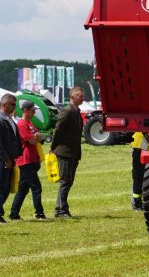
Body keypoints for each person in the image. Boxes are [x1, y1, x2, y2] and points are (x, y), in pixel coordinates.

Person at [50, 86, 85, 218]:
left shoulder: (76, 111)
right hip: (64, 151)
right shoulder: (67, 111)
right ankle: (60, 210)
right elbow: (58, 130)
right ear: (72, 97)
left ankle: (61, 208)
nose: (82, 98)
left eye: (82, 95)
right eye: (80, 96)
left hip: (73, 152)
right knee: (65, 181)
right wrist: (53, 147)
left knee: (68, 181)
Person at [9, 101, 45, 220]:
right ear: (25, 110)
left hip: (32, 159)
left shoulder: (30, 123)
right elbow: (33, 140)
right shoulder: (21, 124)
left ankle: (14, 214)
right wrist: (36, 136)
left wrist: (37, 137)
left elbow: (39, 137)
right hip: (25, 160)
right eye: (32, 110)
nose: (34, 112)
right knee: (36, 188)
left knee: (23, 189)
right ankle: (39, 213)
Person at [0, 93, 21, 223]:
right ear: (4, 104)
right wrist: (6, 159)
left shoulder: (9, 119)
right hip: (1, 159)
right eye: (12, 104)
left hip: (10, 159)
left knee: (7, 187)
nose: (15, 107)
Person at [130, 132, 144, 211]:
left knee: (137, 177)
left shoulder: (139, 134)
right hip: (141, 146)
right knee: (138, 177)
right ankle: (136, 203)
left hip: (138, 146)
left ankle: (136, 203)